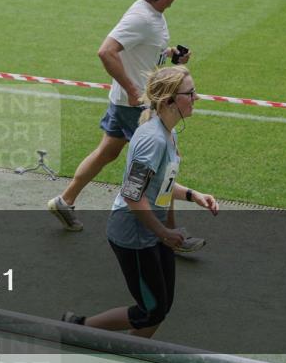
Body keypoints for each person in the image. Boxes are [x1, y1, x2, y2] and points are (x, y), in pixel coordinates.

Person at [62, 65, 219, 337]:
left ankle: (129, 356)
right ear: (170, 100)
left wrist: (194, 196)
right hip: (133, 235)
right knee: (151, 309)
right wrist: (164, 232)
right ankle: (77, 328)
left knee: (161, 306)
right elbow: (132, 195)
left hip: (154, 233)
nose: (197, 98)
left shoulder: (170, 133)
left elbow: (160, 183)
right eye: (190, 93)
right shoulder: (152, 140)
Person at [48, 0, 198, 248]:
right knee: (166, 164)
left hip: (124, 102)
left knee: (107, 152)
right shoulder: (141, 17)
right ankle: (171, 235)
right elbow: (106, 51)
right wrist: (132, 90)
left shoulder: (152, 13)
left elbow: (143, 49)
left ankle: (64, 201)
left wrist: (169, 55)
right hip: (137, 105)